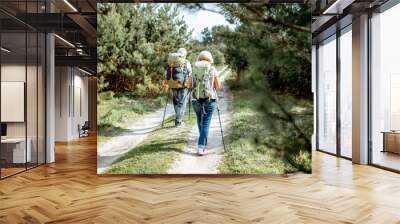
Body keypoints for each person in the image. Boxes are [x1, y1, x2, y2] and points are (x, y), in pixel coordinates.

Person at [190, 51, 221, 155]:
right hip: (209, 99)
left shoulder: (194, 68)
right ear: (210, 59)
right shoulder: (212, 69)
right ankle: (201, 146)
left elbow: (189, 84)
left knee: (200, 121)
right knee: (206, 123)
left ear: (199, 58)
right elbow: (218, 86)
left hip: (196, 99)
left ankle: (202, 140)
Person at [163, 48, 192, 127]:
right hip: (182, 84)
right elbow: (190, 72)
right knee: (182, 102)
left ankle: (178, 118)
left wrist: (167, 82)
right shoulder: (186, 62)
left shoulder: (171, 62)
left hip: (172, 83)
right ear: (185, 55)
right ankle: (178, 121)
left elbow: (166, 73)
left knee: (176, 101)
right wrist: (190, 83)